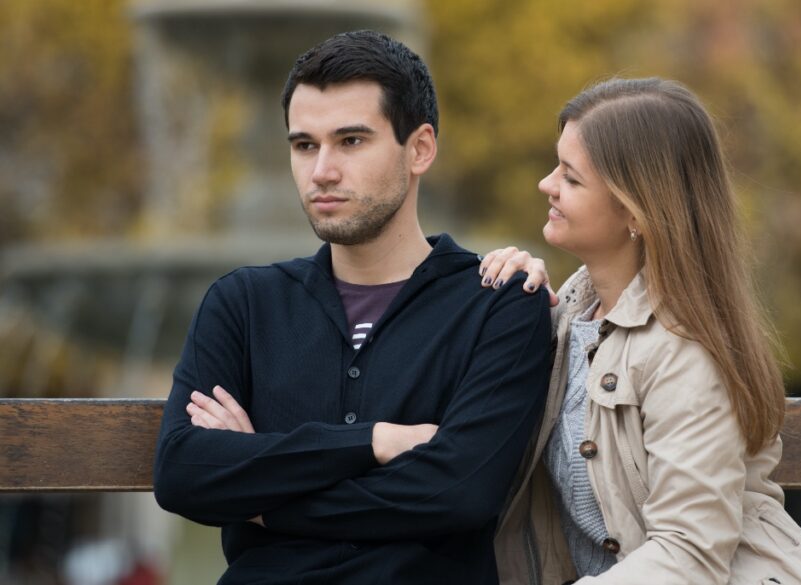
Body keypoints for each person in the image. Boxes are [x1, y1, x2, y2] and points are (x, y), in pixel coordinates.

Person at [152, 30, 552, 585]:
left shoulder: (498, 304)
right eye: (305, 145)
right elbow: (182, 473)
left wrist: (261, 494)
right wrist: (377, 441)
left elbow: (458, 491)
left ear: (420, 149)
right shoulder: (242, 304)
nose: (322, 172)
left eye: (351, 141)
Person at [487, 78, 801, 584]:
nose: (547, 184)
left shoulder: (686, 353)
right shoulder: (571, 312)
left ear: (634, 210)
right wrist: (499, 301)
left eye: (570, 176)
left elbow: (689, 555)